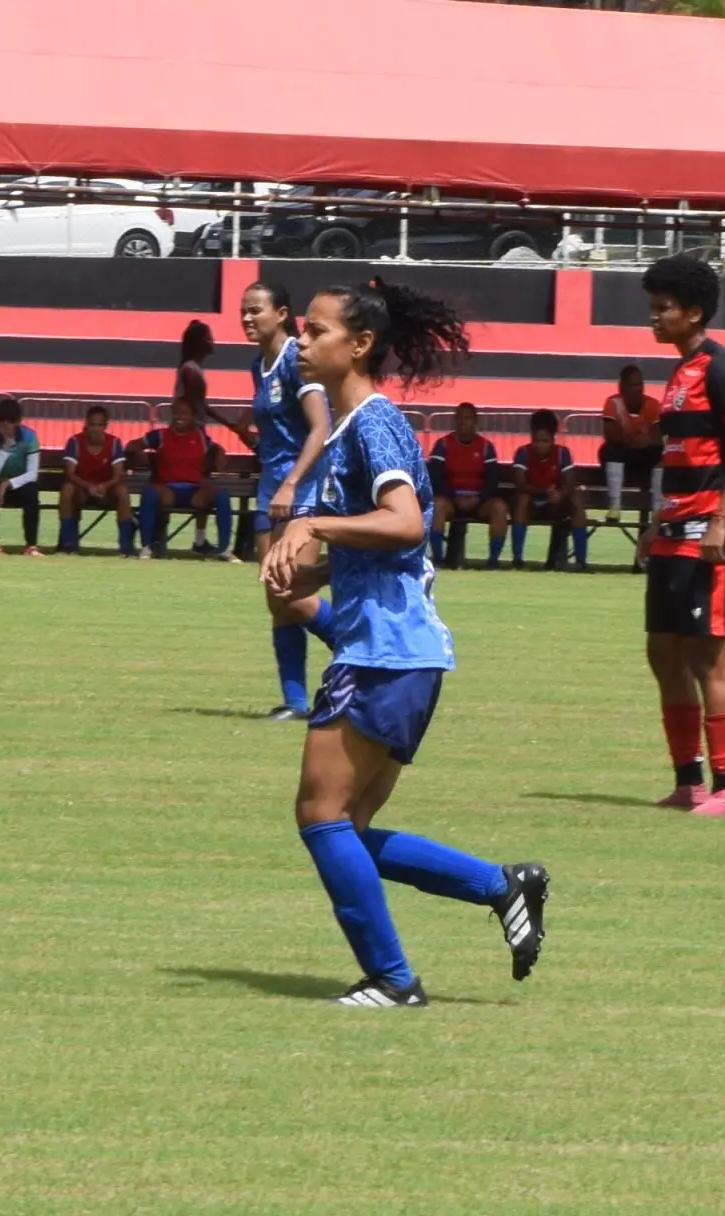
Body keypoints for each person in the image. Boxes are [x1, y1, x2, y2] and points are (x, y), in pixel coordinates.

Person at [259, 279, 548, 1007]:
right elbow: (377, 550)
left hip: (387, 654)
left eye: (316, 330)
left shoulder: (376, 422)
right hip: (393, 651)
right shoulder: (353, 430)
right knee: (347, 825)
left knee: (321, 816)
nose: (302, 341)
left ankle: (392, 979)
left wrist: (314, 527)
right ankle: (499, 884)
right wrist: (305, 577)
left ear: (358, 345)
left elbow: (407, 524)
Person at [634, 254, 725, 812]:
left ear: (694, 313)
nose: (654, 317)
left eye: (663, 308)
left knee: (707, 659)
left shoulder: (718, 368)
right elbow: (678, 456)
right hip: (672, 530)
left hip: (704, 533)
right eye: (653, 307)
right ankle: (687, 780)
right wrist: (654, 521)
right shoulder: (677, 372)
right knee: (663, 654)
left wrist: (721, 521)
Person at [240, 279, 339, 721]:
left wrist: (291, 482)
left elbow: (320, 428)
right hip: (270, 489)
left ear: (281, 314)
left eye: (255, 310)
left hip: (302, 490)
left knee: (296, 593)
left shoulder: (297, 362)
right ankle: (295, 702)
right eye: (243, 310)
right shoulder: (256, 365)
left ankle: (364, 657)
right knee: (276, 598)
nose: (247, 317)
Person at [134, 397, 232, 559]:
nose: (180, 417)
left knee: (221, 494)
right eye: (176, 413)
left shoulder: (200, 438)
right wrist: (141, 456)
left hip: (195, 491)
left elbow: (216, 449)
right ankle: (147, 547)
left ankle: (223, 549)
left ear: (193, 416)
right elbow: (133, 445)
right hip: (167, 490)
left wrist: (219, 454)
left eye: (184, 413)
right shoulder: (160, 436)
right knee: (149, 493)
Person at [424, 402, 507, 566]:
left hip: (479, 502)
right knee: (438, 505)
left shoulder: (485, 447)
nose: (463, 422)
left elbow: (492, 479)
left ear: (475, 422)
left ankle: (493, 561)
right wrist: (453, 496)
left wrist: (480, 497)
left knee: (499, 507)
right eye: (460, 418)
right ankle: (439, 559)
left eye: (468, 418)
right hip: (451, 500)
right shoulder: (443, 445)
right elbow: (435, 476)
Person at [508, 409, 588, 570]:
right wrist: (545, 491)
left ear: (553, 439)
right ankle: (517, 559)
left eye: (544, 441)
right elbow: (520, 484)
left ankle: (581, 561)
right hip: (531, 502)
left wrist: (560, 494)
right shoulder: (523, 453)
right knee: (522, 500)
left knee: (577, 502)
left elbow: (570, 484)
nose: (540, 445)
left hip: (554, 504)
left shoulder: (562, 453)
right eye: (536, 440)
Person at [57, 404, 136, 555]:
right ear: (86, 423)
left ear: (105, 426)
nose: (95, 428)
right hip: (82, 490)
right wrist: (88, 486)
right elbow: (70, 473)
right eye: (92, 424)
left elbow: (119, 474)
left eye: (99, 425)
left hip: (105, 491)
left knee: (122, 491)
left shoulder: (114, 443)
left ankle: (126, 547)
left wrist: (104, 486)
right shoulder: (75, 442)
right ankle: (68, 544)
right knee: (67, 489)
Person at [0, 397, 42, 556]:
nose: (5, 425)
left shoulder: (30, 437)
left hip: (18, 486)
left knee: (31, 492)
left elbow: (32, 474)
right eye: (1, 420)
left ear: (19, 421)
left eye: (10, 420)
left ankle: (31, 545)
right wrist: (5, 448)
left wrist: (6, 485)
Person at [601, 362, 663, 521]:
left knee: (661, 453)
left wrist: (647, 441)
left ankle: (657, 510)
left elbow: (658, 436)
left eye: (641, 384)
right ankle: (615, 507)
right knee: (609, 450)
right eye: (634, 385)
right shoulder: (613, 403)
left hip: (644, 458)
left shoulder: (653, 405)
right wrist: (632, 442)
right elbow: (610, 435)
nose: (639, 389)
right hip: (623, 455)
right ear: (622, 387)